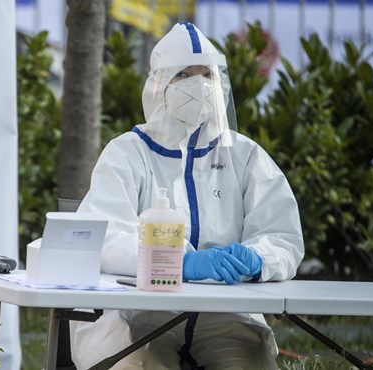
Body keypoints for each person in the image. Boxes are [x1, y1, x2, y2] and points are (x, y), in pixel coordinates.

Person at [69, 22, 305, 370]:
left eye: (206, 74)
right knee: (139, 364)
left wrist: (258, 258)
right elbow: (101, 238)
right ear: (159, 85)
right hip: (140, 317)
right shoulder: (127, 154)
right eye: (184, 75)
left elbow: (283, 235)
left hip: (225, 319)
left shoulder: (245, 156)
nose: (199, 84)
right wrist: (176, 264)